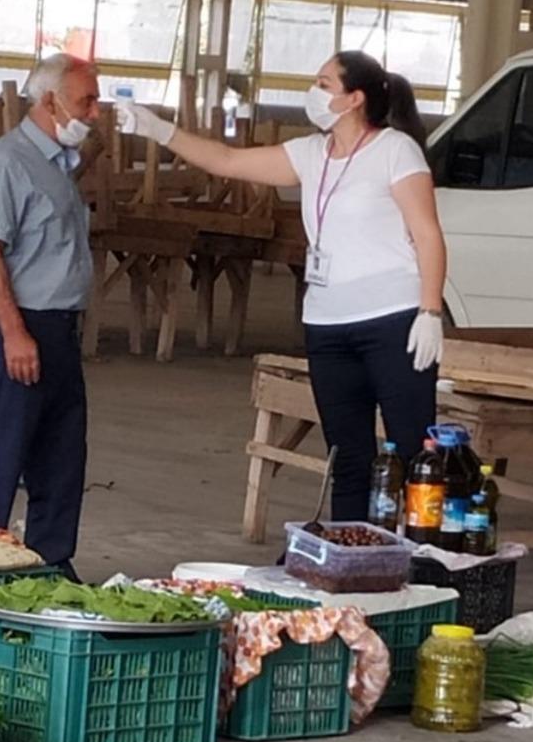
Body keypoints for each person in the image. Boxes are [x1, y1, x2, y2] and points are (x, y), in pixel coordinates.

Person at [118, 51, 447, 520]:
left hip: (391, 319)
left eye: (323, 83)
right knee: (348, 453)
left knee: (413, 448)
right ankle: (350, 550)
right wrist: (159, 130)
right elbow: (228, 160)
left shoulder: (394, 150)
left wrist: (429, 311)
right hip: (328, 323)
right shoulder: (311, 154)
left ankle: (422, 560)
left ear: (354, 99)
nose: (312, 92)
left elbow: (427, 232)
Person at [0, 53, 99, 580]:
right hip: (18, 325)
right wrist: (14, 333)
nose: (95, 112)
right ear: (48, 101)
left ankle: (50, 562)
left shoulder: (59, 165)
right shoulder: (4, 162)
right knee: (3, 449)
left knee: (62, 455)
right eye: (86, 100)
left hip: (59, 328)